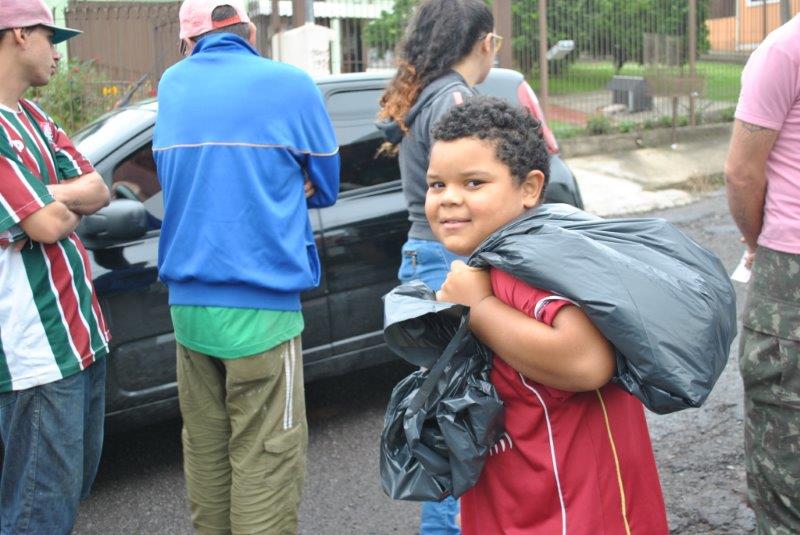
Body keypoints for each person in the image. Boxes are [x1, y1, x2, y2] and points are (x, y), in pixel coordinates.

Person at [428, 96, 669, 534]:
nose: (449, 199)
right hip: (517, 497)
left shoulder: (534, 273)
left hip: (573, 510)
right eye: (437, 185)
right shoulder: (486, 268)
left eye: (474, 182)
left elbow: (587, 363)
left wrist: (479, 307)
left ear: (529, 188)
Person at [152, 0, 339, 532]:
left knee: (207, 453)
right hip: (262, 311)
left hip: (187, 308)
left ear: (189, 42)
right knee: (267, 459)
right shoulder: (290, 83)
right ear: (250, 31)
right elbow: (324, 184)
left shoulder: (172, 83)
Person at [376, 1, 499, 530]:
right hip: (446, 257)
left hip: (425, 255)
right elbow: (470, 195)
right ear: (486, 42)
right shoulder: (453, 99)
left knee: (445, 414)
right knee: (457, 421)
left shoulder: (429, 94)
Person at [0, 0, 112, 532]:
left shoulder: (35, 116)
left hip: (81, 337)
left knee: (65, 495)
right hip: (36, 355)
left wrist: (41, 198)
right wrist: (50, 208)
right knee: (36, 512)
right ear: (20, 34)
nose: (58, 54)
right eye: (52, 38)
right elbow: (46, 226)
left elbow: (98, 189)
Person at [724, 14, 800, 534]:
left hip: (790, 269)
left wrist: (756, 243)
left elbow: (742, 171)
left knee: (785, 451)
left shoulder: (784, 50)